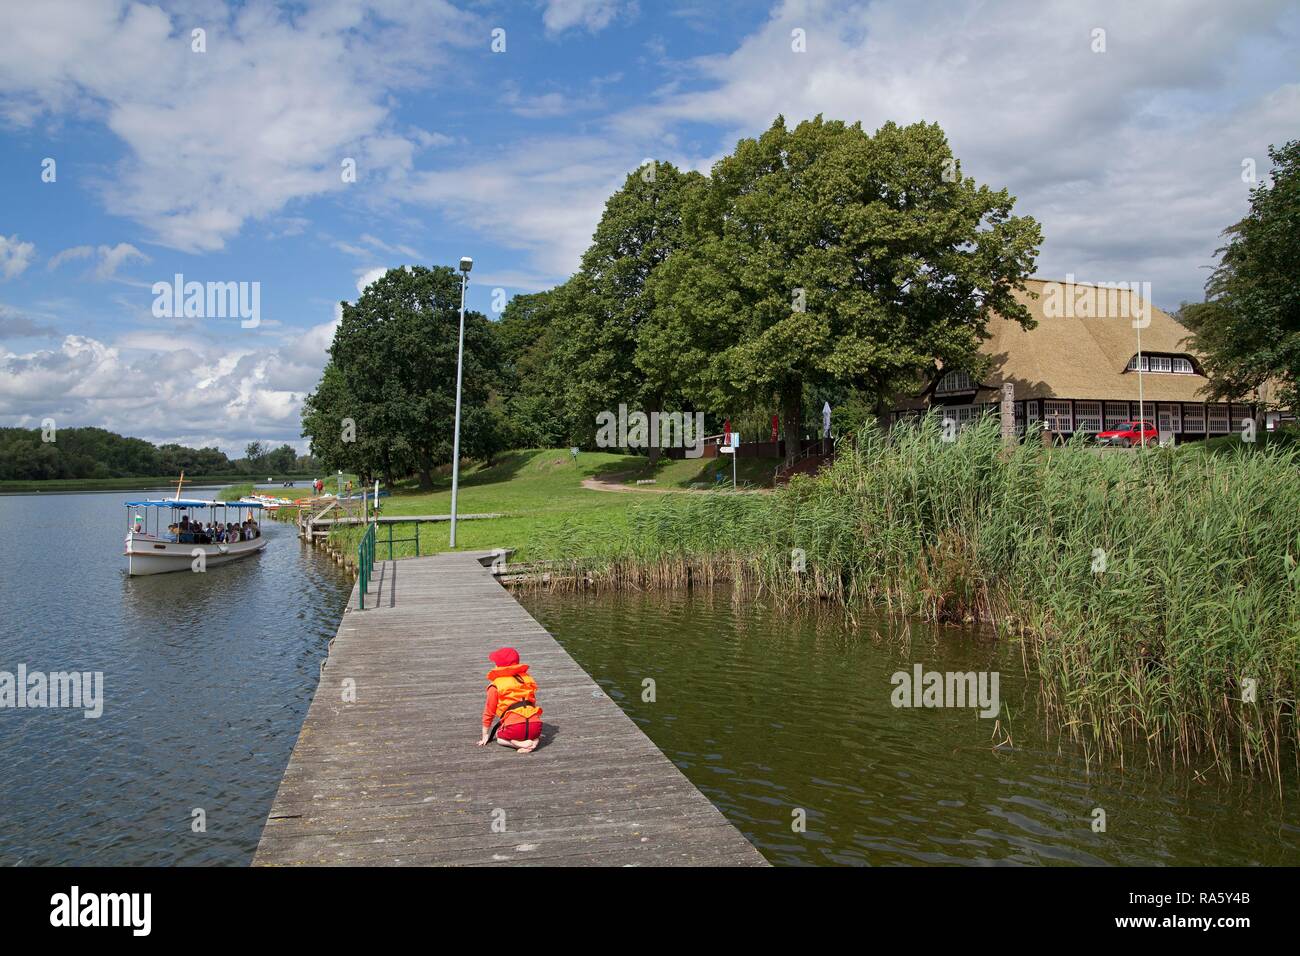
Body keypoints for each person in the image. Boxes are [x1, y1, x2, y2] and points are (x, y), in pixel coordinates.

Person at [477, 647, 542, 753]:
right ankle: (534, 741)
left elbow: (489, 712)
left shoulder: (495, 685)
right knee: (531, 733)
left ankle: (517, 744)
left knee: (499, 738)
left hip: (514, 727)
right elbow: (532, 703)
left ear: (499, 666)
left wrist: (485, 735)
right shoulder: (527, 679)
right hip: (536, 725)